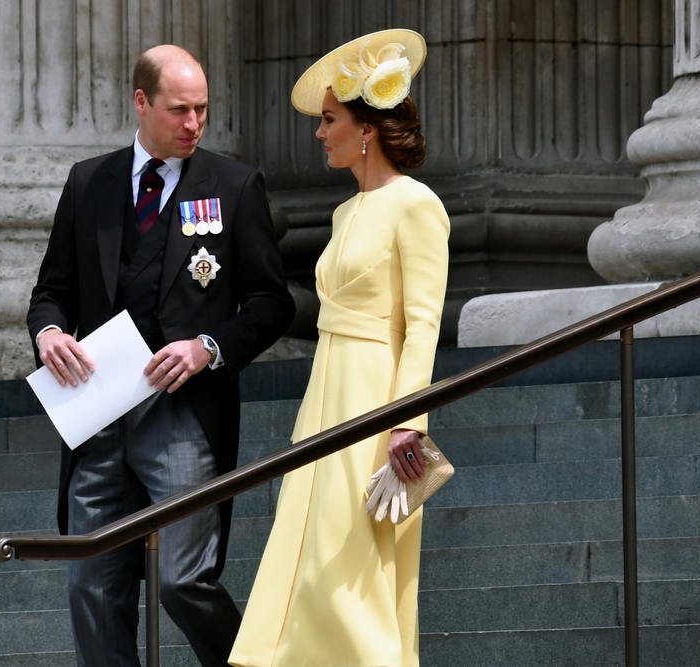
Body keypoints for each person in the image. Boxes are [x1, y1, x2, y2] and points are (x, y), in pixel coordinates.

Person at [27, 44, 295, 666]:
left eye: (202, 109)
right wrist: (49, 334)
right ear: (141, 102)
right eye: (180, 109)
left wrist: (208, 347)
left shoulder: (234, 185)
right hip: (98, 412)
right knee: (92, 586)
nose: (194, 123)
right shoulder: (88, 182)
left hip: (183, 413)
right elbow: (51, 291)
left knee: (182, 581)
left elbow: (271, 303)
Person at [229, 30, 450, 667]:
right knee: (309, 547)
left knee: (351, 556)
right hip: (325, 393)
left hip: (375, 400)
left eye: (330, 119)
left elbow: (423, 325)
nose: (319, 132)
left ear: (367, 130)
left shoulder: (417, 204)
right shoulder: (344, 212)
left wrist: (407, 421)